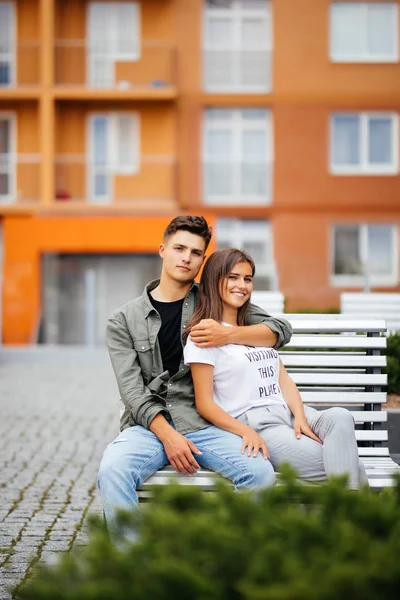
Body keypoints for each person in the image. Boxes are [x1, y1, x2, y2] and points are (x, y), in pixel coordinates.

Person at [98, 216, 293, 528]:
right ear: (163, 250)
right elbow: (133, 393)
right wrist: (169, 436)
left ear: (203, 259)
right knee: (112, 471)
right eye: (179, 248)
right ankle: (133, 568)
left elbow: (280, 329)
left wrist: (227, 335)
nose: (186, 257)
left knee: (259, 474)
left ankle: (227, 560)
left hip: (205, 425)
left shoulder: (213, 300)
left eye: (196, 252)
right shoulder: (123, 320)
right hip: (150, 427)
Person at [184, 247, 368, 490]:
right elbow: (204, 404)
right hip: (258, 423)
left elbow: (283, 380)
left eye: (247, 279)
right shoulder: (204, 334)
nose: (242, 285)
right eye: (233, 277)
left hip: (289, 413)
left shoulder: (252, 330)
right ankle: (349, 521)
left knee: (341, 417)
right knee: (353, 469)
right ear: (213, 280)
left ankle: (342, 521)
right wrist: (244, 432)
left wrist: (300, 416)